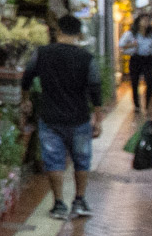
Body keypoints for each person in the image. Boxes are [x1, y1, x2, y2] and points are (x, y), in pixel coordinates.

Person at [22, 13, 105, 220]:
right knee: (82, 161)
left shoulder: (41, 53)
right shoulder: (87, 58)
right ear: (78, 34)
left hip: (49, 117)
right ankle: (79, 200)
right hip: (79, 118)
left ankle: (59, 204)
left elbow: (26, 77)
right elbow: (95, 88)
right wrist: (98, 117)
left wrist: (26, 100)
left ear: (58, 31)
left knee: (54, 162)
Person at [119, 14, 152, 113]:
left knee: (150, 82)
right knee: (134, 82)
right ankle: (137, 105)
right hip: (136, 58)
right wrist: (132, 44)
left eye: (147, 20)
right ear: (138, 22)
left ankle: (147, 104)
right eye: (143, 20)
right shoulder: (131, 34)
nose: (145, 22)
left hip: (148, 59)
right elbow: (121, 45)